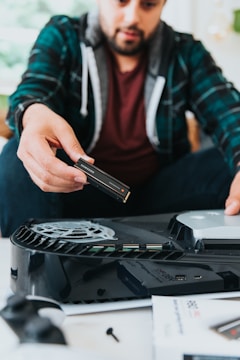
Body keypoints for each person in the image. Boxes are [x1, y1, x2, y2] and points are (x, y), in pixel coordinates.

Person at [1, 0, 240, 237]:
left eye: (148, 5)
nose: (132, 18)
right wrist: (33, 114)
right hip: (80, 189)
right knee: (17, 157)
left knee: (229, 164)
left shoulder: (186, 52)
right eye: (121, 2)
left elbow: (229, 113)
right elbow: (35, 88)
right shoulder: (63, 35)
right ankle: (36, 269)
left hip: (160, 195)